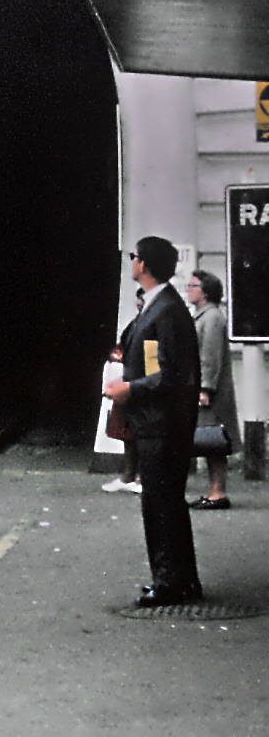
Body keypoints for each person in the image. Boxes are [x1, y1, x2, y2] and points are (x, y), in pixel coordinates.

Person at [102, 236, 202, 606]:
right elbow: (156, 365)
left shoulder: (165, 311)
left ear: (143, 264)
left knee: (160, 506)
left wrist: (129, 389)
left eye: (133, 257)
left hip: (162, 425)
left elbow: (169, 375)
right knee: (166, 505)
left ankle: (169, 584)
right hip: (159, 424)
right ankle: (180, 580)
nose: (130, 262)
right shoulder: (161, 307)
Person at [186, 270, 241, 510]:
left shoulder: (212, 318)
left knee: (214, 442)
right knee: (210, 443)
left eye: (193, 285)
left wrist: (205, 389)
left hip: (211, 395)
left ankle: (218, 492)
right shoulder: (204, 316)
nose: (188, 288)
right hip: (205, 391)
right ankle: (214, 490)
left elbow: (209, 357)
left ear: (205, 291)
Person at [102, 287, 143, 495]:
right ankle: (128, 476)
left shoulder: (156, 321)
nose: (139, 303)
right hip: (129, 382)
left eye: (143, 298)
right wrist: (117, 355)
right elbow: (123, 344)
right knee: (128, 433)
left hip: (143, 384)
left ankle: (143, 477)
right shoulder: (135, 323)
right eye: (138, 298)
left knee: (144, 433)